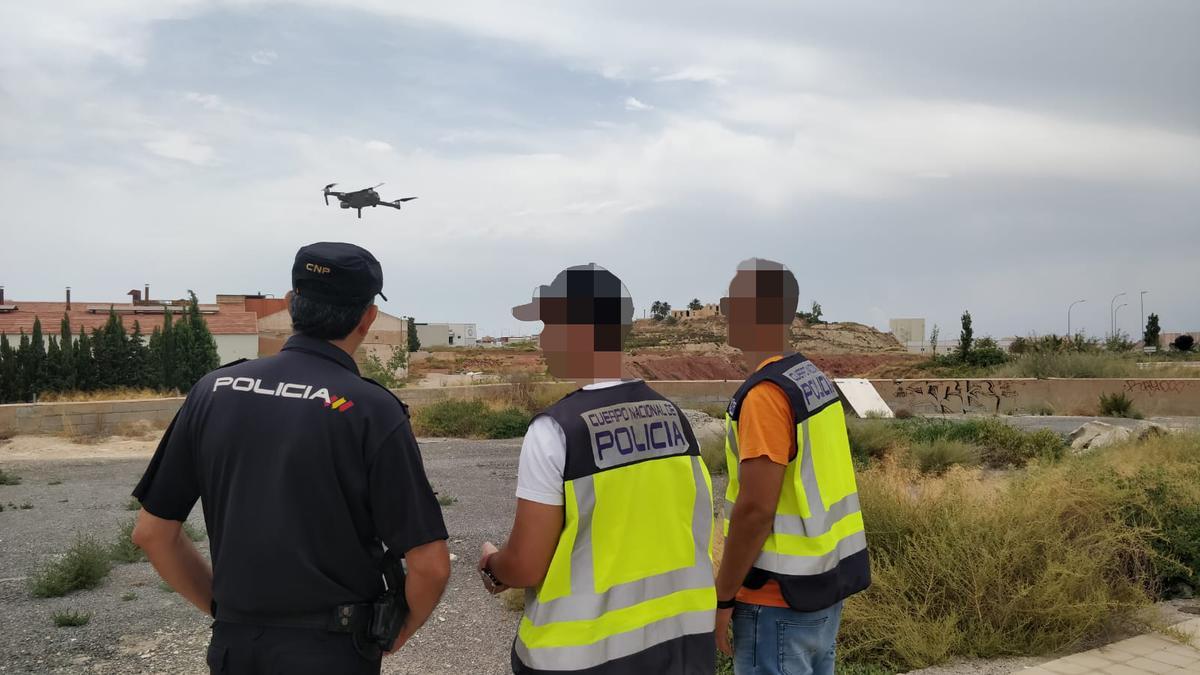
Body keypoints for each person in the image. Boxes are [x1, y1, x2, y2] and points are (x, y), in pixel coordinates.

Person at [131, 242, 450, 675]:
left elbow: (153, 533)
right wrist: (397, 630)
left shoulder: (212, 391)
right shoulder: (371, 409)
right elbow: (429, 564)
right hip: (332, 652)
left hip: (235, 647)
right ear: (367, 317)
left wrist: (223, 611)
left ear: (289, 303)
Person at [479, 263, 717, 674]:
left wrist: (492, 566)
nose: (541, 339)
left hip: (581, 658)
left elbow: (526, 564)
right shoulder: (675, 418)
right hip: (678, 650)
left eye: (549, 325)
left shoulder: (555, 430)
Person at [713, 258, 870, 675]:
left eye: (730, 303)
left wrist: (723, 597)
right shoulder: (810, 378)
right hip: (820, 591)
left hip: (775, 601)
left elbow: (755, 509)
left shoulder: (765, 395)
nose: (723, 312)